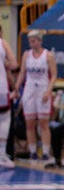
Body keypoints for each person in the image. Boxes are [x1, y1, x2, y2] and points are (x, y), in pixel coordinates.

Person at [11, 31, 57, 164]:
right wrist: (16, 88)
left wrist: (48, 91)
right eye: (30, 41)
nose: (32, 43)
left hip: (43, 88)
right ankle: (32, 151)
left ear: (40, 41)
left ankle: (46, 152)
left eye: (34, 41)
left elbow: (53, 75)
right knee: (29, 123)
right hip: (29, 89)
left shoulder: (48, 55)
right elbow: (22, 73)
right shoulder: (26, 55)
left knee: (43, 122)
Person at [0, 30, 15, 168]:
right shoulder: (3, 43)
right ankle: (2, 154)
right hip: (1, 88)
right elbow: (14, 64)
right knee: (4, 118)